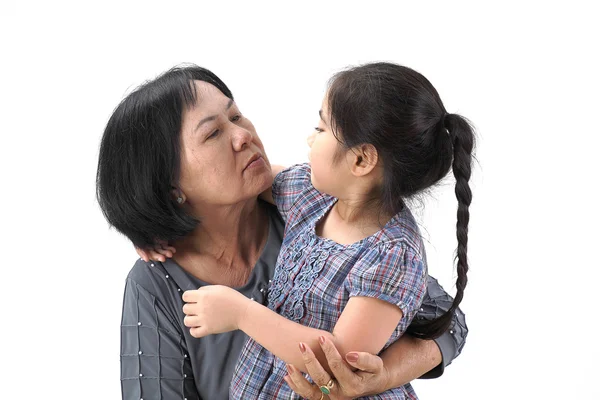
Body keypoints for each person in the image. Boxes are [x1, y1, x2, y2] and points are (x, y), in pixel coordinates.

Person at [96, 64, 468, 400]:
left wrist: (377, 375)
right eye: (212, 134)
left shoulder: (315, 217)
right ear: (169, 187)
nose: (243, 136)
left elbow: (445, 318)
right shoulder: (156, 282)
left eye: (237, 115)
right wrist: (144, 218)